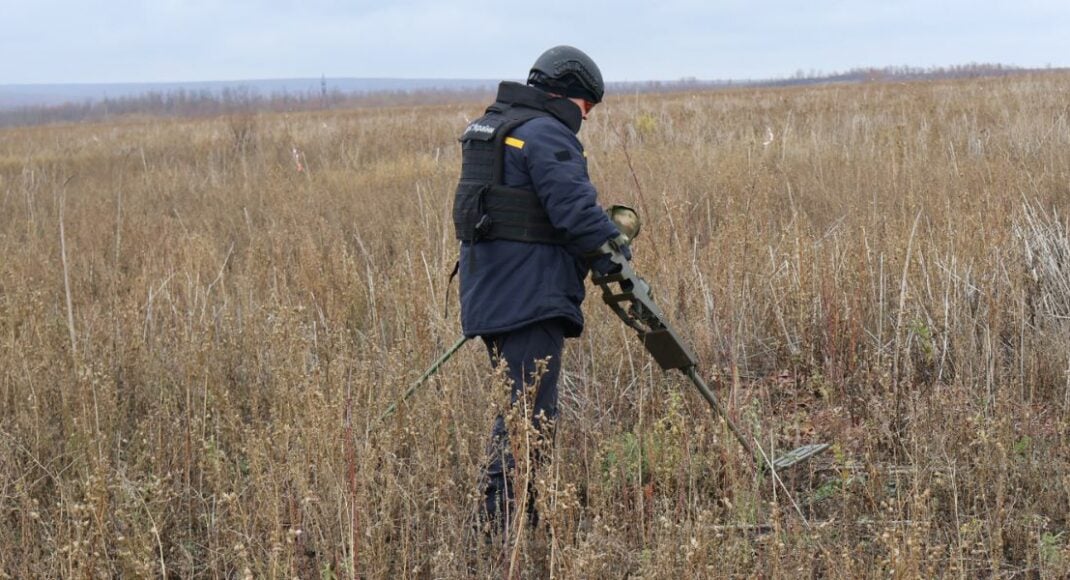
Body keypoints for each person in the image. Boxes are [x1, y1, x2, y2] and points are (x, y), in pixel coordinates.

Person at [452, 45, 630, 532]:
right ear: (567, 93)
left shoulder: (492, 129)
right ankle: (495, 530)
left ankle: (521, 516)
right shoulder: (546, 133)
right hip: (530, 298)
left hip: (490, 294)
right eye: (587, 107)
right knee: (528, 417)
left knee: (520, 408)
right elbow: (573, 210)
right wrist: (612, 247)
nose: (585, 118)